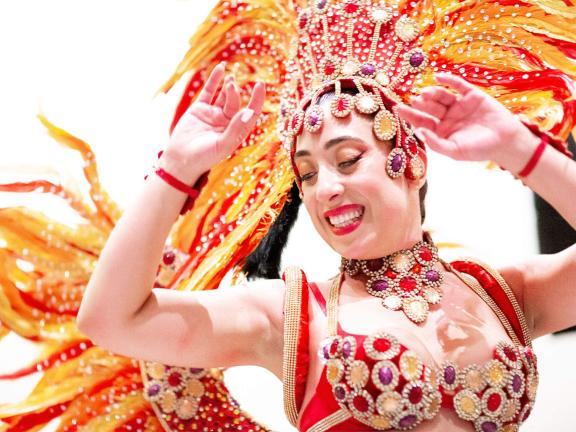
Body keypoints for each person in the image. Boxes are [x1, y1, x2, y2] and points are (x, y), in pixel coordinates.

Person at [1, 1, 575, 431]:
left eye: (347, 159)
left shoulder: (503, 295)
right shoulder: (292, 315)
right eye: (305, 173)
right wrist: (175, 170)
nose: (325, 188)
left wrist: (523, 152)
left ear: (414, 160)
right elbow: (108, 319)